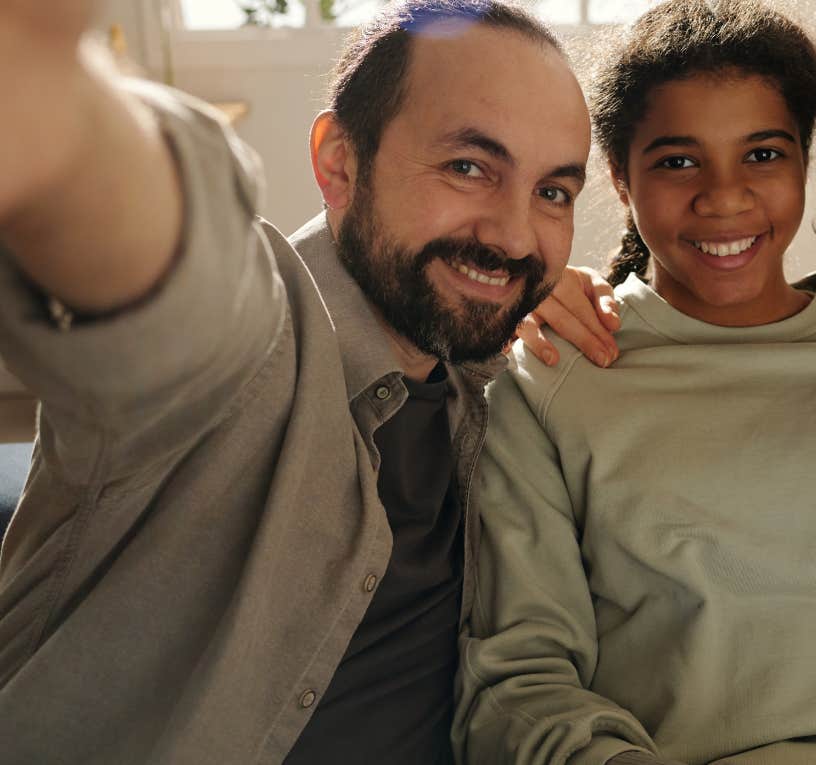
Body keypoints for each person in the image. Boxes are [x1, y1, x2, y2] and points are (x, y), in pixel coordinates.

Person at [0, 1, 605, 762]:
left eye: (552, 192)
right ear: (339, 163)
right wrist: (56, 108)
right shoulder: (253, 352)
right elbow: (191, 270)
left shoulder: (492, 383)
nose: (517, 235)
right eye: (467, 167)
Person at [455, 2, 816, 763]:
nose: (724, 196)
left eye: (763, 155)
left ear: (803, 163)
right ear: (619, 176)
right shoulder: (552, 379)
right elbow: (521, 675)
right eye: (679, 161)